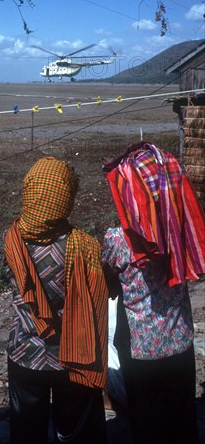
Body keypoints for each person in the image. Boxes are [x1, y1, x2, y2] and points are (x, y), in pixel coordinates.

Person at [101, 141, 205, 444]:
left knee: (147, 425)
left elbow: (109, 283)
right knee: (182, 421)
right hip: (180, 343)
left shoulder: (119, 239)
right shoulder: (182, 231)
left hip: (141, 351)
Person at [4, 156, 108, 444]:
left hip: (25, 354)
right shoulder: (85, 246)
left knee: (26, 430)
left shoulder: (12, 239)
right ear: (66, 198)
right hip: (73, 357)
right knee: (75, 431)